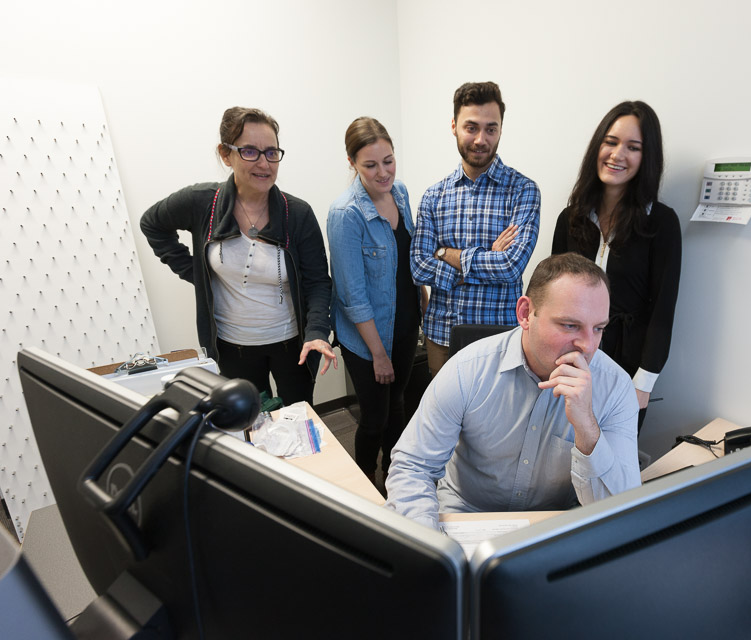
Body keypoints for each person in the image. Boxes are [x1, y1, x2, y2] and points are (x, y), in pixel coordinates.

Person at [385, 253, 642, 530]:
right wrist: (429, 545)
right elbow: (413, 466)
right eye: (570, 325)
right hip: (468, 515)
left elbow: (622, 510)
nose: (588, 346)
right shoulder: (467, 370)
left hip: (555, 524)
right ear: (525, 314)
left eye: (598, 328)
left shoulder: (615, 386)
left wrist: (586, 427)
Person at [140, 107, 336, 405]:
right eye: (249, 151)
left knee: (299, 419)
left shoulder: (296, 213)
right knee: (247, 425)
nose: (263, 163)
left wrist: (318, 331)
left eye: (271, 153)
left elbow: (318, 283)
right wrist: (199, 275)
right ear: (225, 154)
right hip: (232, 347)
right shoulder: (201, 202)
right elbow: (152, 224)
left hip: (291, 346)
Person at [552, 101, 681, 430]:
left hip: (628, 371)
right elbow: (549, 296)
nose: (617, 154)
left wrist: (644, 383)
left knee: (610, 470)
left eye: (633, 147)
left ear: (646, 158)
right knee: (558, 462)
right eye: (610, 142)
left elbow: (662, 312)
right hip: (570, 363)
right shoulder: (571, 218)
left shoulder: (661, 223)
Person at [410, 81, 541, 376]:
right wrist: (487, 257)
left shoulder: (523, 191)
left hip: (499, 340)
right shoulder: (434, 196)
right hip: (441, 336)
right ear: (454, 126)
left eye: (491, 129)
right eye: (471, 127)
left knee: (497, 422)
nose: (481, 139)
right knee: (442, 422)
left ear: (500, 131)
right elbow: (419, 267)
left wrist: (444, 253)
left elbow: (510, 266)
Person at [327, 117, 426, 487]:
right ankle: (366, 482)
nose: (383, 172)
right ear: (352, 162)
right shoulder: (345, 214)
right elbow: (352, 297)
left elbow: (409, 255)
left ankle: (395, 480)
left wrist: (423, 297)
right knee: (374, 418)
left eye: (388, 160)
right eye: (370, 164)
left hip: (403, 323)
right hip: (368, 336)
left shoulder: (400, 192)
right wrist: (379, 354)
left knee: (397, 405)